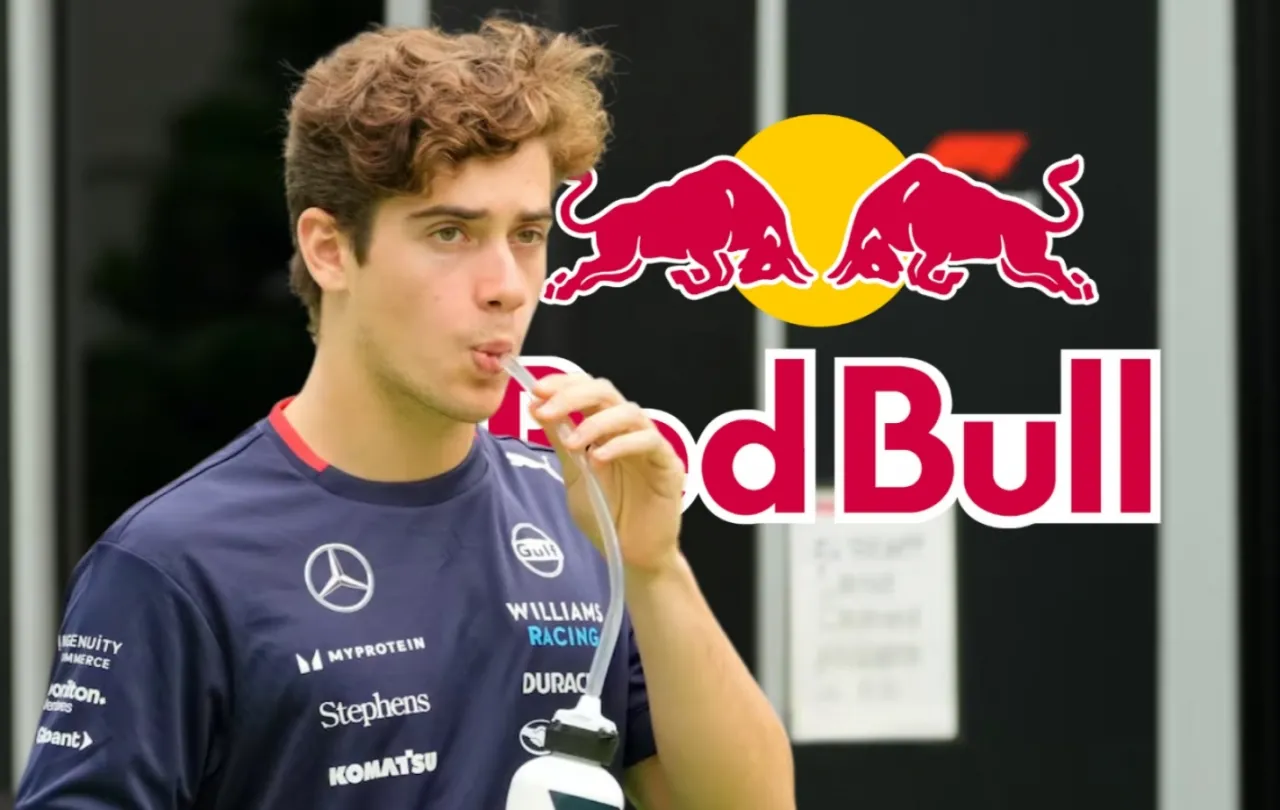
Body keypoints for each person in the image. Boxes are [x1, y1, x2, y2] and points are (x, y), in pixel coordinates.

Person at [14, 17, 795, 810]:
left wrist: (656, 568)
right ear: (328, 249)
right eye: (451, 232)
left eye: (528, 234)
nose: (507, 286)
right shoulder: (172, 563)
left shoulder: (581, 517)